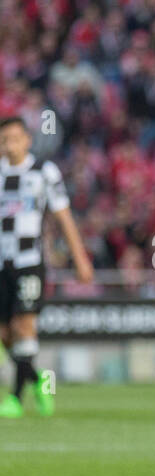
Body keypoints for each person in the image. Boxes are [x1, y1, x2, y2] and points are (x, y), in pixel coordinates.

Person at [0, 117, 94, 418]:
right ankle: (39, 379)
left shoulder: (44, 171)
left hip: (29, 261)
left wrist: (80, 258)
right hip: (1, 261)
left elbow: (63, 216)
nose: (9, 145)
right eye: (4, 140)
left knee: (24, 325)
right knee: (5, 335)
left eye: (15, 138)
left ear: (27, 140)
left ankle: (14, 398)